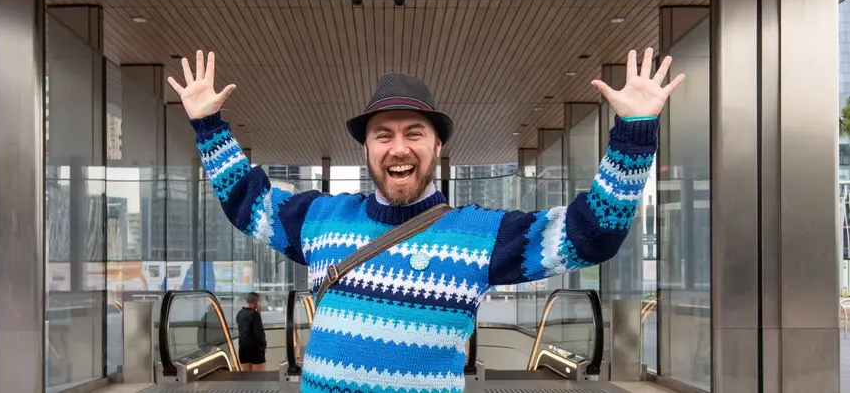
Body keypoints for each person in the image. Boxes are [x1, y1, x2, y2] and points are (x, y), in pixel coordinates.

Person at [167, 48, 684, 393]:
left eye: (414, 132)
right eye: (382, 134)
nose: (398, 147)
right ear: (366, 148)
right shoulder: (322, 217)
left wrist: (634, 134)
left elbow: (590, 236)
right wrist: (207, 124)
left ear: (438, 145)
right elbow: (245, 201)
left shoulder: (481, 235)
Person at [235, 292, 267, 371]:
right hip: (255, 350)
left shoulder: (239, 314)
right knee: (259, 379)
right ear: (256, 303)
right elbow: (259, 334)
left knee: (247, 379)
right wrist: (264, 346)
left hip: (243, 349)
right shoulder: (255, 315)